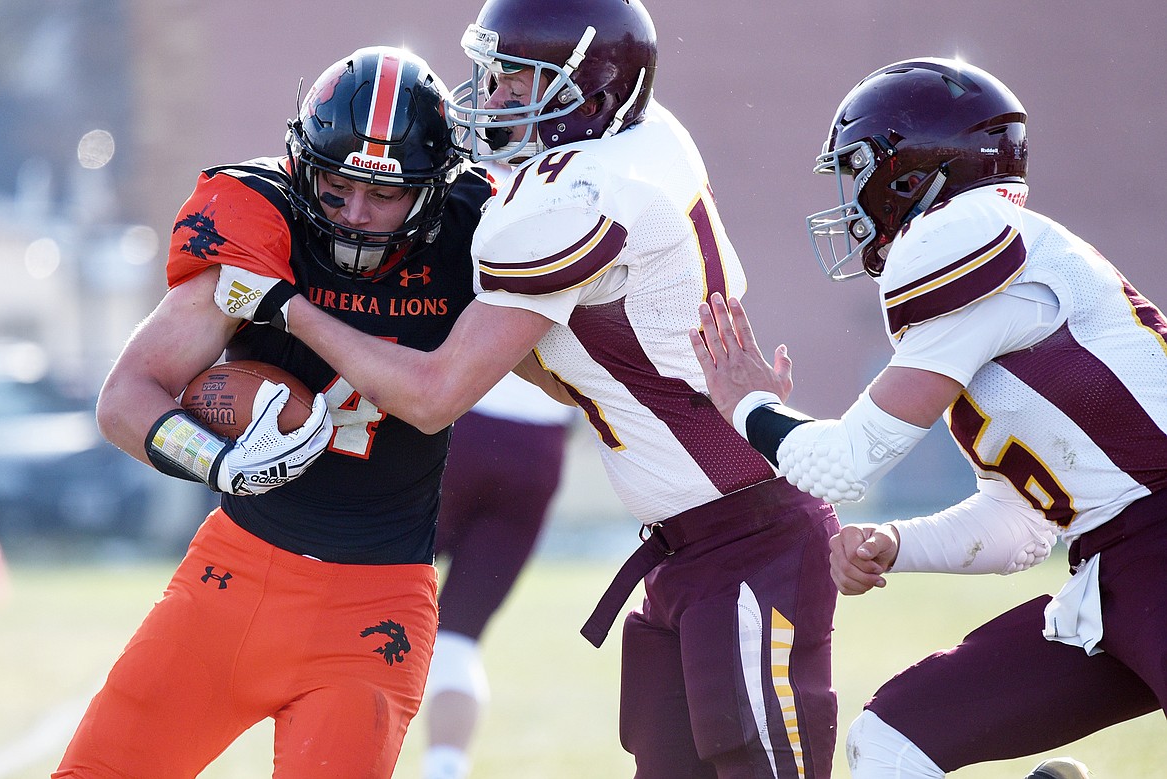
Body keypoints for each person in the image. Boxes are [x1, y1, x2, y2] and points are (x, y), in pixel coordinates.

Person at [211, 0, 843, 775]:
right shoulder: (640, 141)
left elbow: (436, 394)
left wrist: (289, 309)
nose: (495, 96)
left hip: (749, 538)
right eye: (496, 74)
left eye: (519, 82)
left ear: (594, 92)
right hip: (695, 546)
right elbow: (564, 368)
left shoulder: (577, 197)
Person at [690, 57, 1166, 779]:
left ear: (911, 175)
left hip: (1154, 551)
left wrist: (747, 405)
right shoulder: (1000, 276)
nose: (850, 199)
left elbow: (845, 463)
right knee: (891, 738)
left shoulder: (963, 232)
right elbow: (1023, 526)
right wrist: (893, 542)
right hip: (1117, 574)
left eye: (857, 170)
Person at [54, 46, 492, 778]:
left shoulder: (476, 234)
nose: (355, 214)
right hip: (232, 577)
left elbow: (432, 396)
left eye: (384, 195)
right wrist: (219, 461)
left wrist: (290, 310)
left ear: (433, 191)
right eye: (337, 185)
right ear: (303, 165)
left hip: (373, 606)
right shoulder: (262, 217)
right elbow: (126, 396)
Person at [422, 373, 575, 779]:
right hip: (539, 449)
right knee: (458, 639)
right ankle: (444, 770)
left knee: (369, 606)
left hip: (461, 425)